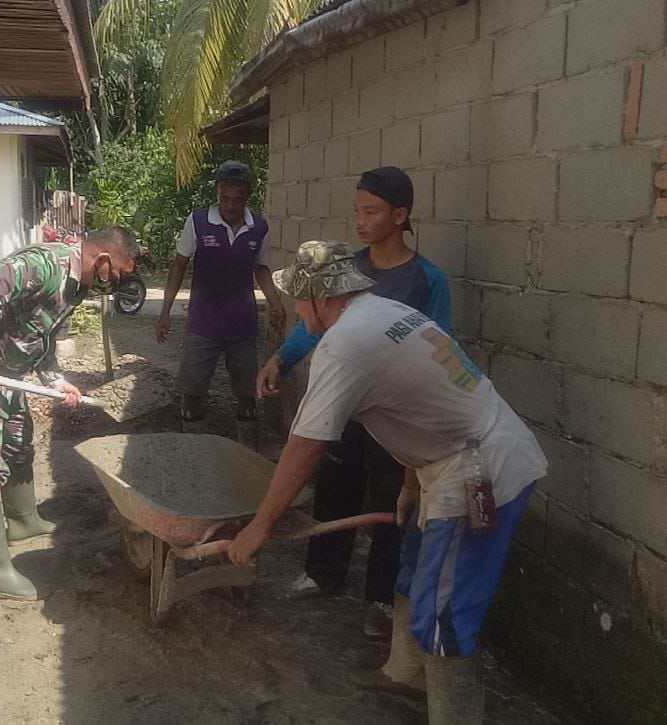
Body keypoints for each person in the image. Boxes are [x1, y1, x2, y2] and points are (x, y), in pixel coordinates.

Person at [227, 241, 547, 724]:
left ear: (321, 297)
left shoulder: (344, 345)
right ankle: (406, 676)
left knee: (443, 613)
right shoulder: (385, 311)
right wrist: (412, 483)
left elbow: (305, 446)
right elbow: (420, 405)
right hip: (452, 458)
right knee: (412, 568)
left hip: (478, 470)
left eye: (298, 299)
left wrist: (259, 527)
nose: (295, 310)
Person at [257, 167, 451, 638]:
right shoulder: (348, 270)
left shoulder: (427, 279)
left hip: (394, 415)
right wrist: (281, 359)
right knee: (335, 486)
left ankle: (382, 598)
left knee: (391, 502)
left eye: (371, 212)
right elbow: (314, 323)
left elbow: (438, 348)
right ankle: (323, 573)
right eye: (357, 211)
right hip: (346, 404)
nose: (360, 221)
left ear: (400, 216)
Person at [0, 227, 141, 600]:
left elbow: (40, 334)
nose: (118, 284)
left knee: (17, 438)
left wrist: (55, 380)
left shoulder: (77, 286)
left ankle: (23, 520)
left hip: (2, 369)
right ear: (104, 261)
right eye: (119, 275)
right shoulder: (42, 266)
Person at [156, 160, 286, 447]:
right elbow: (178, 265)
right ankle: (194, 453)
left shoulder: (259, 228)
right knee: (193, 392)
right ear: (217, 193)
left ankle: (247, 454)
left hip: (243, 325)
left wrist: (276, 303)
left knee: (248, 395)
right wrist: (165, 312)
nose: (229, 205)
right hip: (203, 323)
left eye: (237, 199)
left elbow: (261, 268)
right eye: (224, 198)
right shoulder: (198, 222)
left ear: (247, 196)